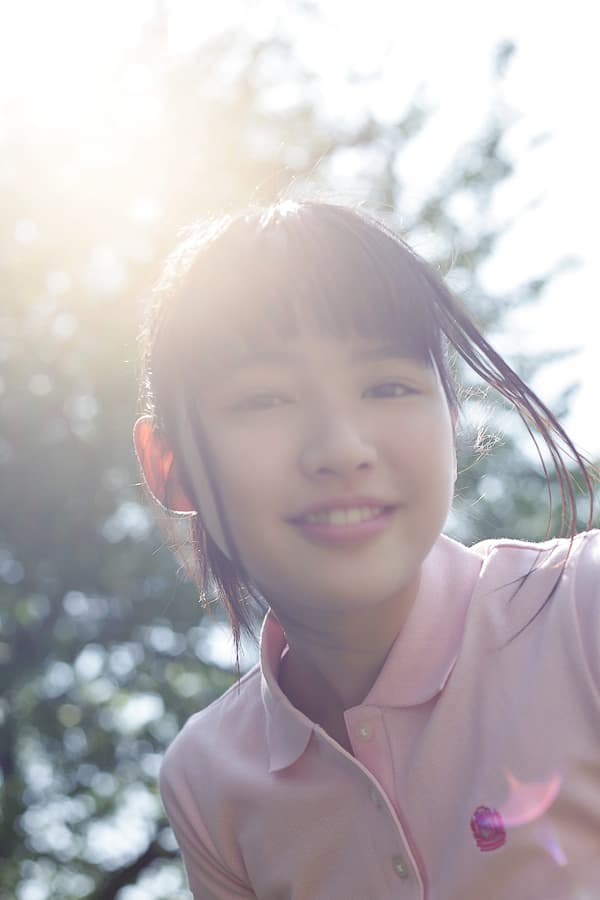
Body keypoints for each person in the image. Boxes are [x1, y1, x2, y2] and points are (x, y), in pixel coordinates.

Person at [133, 199, 600, 900]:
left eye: (388, 386)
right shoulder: (207, 780)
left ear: (450, 416)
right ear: (168, 464)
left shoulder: (580, 611)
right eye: (264, 400)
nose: (341, 450)